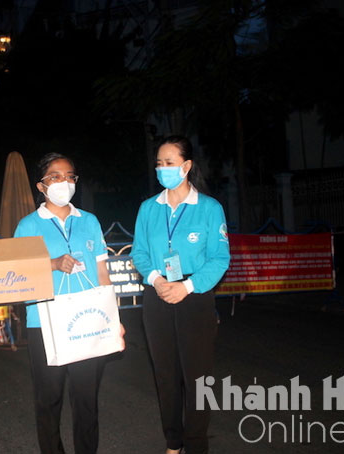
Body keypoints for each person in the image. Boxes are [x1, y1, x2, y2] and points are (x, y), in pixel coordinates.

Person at [130, 135, 230, 454]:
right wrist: (157, 280)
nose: (162, 169)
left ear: (186, 166)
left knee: (198, 377)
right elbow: (139, 253)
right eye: (159, 163)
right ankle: (173, 443)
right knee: (165, 375)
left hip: (195, 295)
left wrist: (186, 286)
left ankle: (197, 444)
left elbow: (219, 258)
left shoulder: (210, 209)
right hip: (157, 294)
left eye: (169, 163)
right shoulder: (148, 208)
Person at [13, 153, 117, 454]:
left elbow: (102, 272)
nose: (64, 182)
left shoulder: (90, 222)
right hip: (44, 323)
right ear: (41, 186)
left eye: (70, 176)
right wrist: (53, 263)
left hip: (88, 320)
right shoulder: (28, 225)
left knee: (86, 400)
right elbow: (17, 276)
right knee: (49, 399)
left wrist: (114, 322)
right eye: (55, 176)